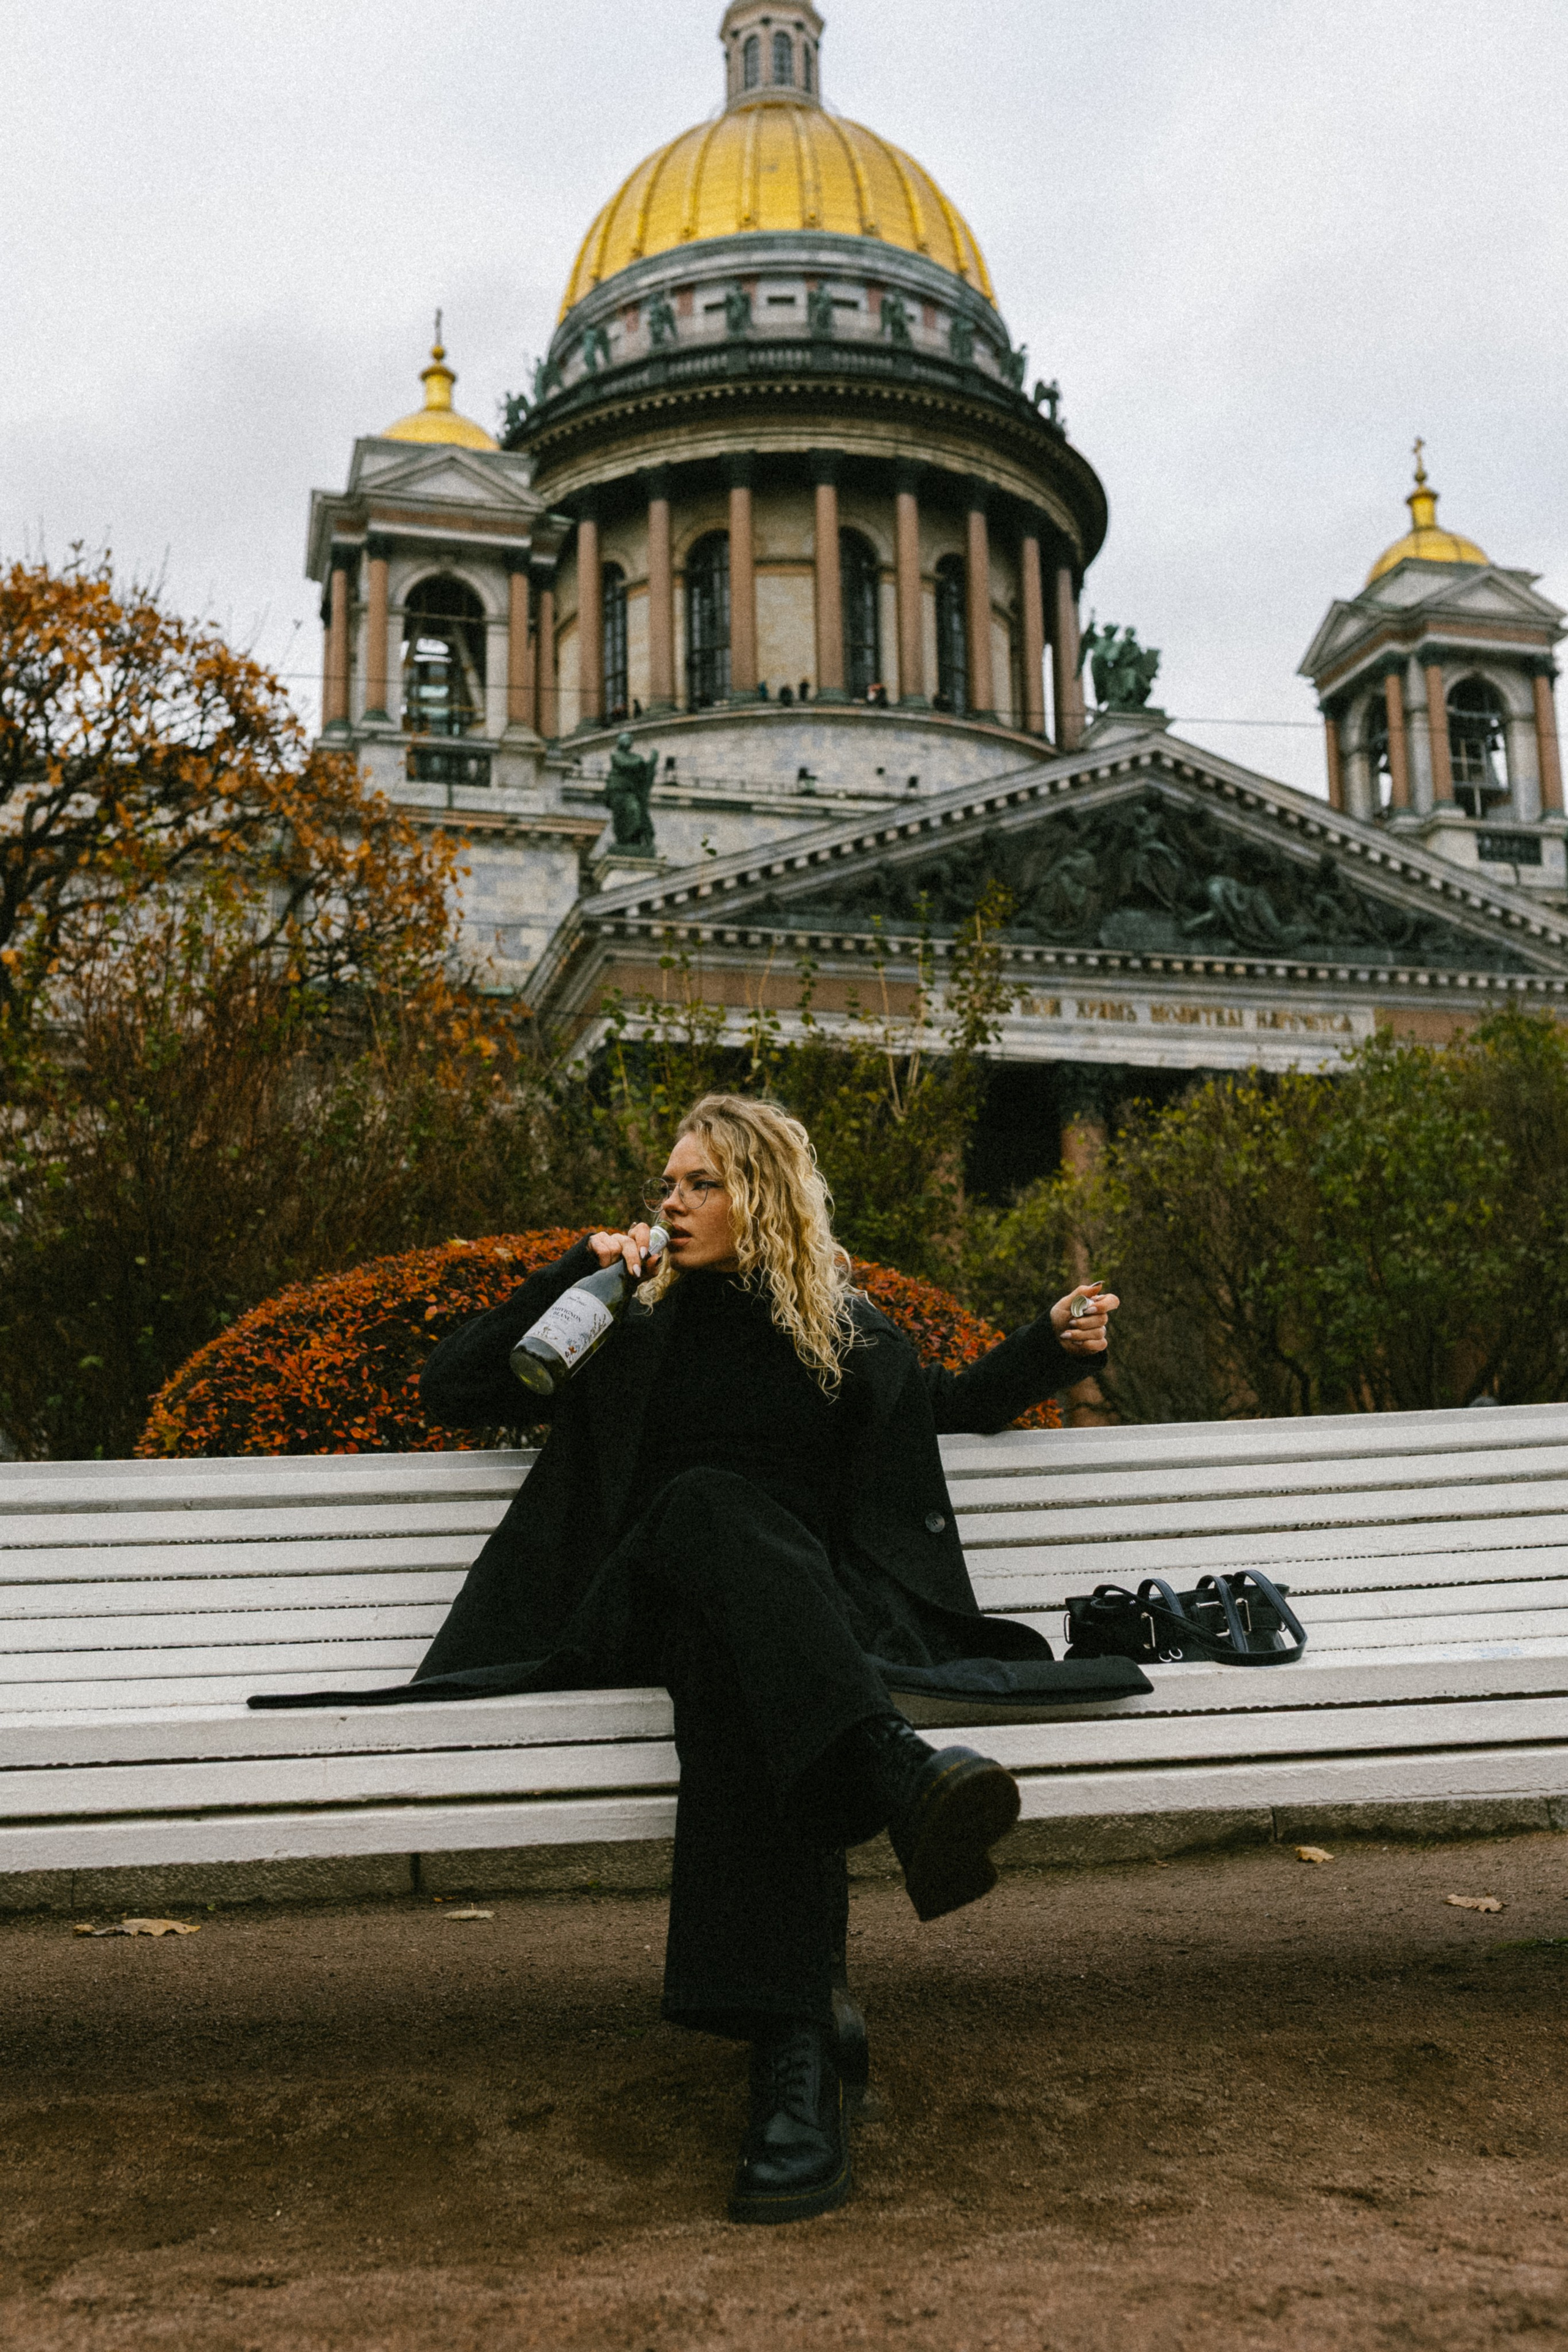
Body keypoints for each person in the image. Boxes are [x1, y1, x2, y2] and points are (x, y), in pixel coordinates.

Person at [254, 1095, 1123, 2223]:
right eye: (668, 1182)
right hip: (629, 1604)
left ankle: (794, 2055)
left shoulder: (841, 1328)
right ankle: (892, 1779)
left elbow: (939, 1407)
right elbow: (452, 1388)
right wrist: (578, 1268)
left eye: (700, 1182)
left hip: (776, 1637)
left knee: (742, 1674)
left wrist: (1046, 1349)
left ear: (762, 1194)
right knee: (712, 1505)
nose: (670, 1200)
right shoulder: (621, 1314)